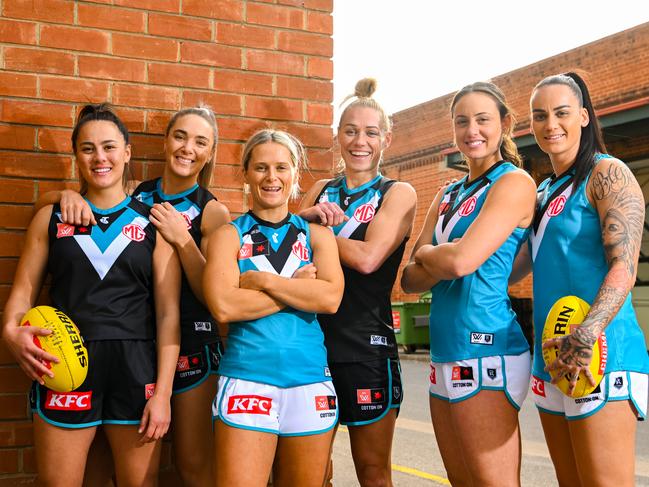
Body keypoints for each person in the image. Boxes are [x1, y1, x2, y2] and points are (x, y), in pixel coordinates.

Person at [35, 105, 231, 486]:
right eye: (180, 136)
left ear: (210, 152)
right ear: (164, 141)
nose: (188, 147)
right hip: (138, 347)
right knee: (104, 461)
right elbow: (80, 199)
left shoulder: (212, 209)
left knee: (190, 464)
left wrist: (182, 238)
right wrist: (64, 193)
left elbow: (215, 293)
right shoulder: (140, 193)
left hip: (190, 341)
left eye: (200, 141)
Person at [2, 104, 181, 487]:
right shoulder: (50, 218)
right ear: (76, 155)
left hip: (136, 370)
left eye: (109, 147)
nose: (100, 157)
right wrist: (10, 332)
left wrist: (163, 393)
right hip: (65, 365)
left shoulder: (155, 222)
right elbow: (22, 295)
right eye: (87, 148)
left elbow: (169, 315)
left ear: (127, 152)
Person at [512, 72, 649, 486]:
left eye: (561, 112)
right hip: (553, 354)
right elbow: (515, 268)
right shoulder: (543, 191)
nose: (550, 124)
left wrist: (586, 332)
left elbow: (624, 266)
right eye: (540, 115)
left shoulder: (608, 174)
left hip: (600, 352)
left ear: (585, 117)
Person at [401, 81, 536, 486]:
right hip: (445, 350)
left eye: (482, 120)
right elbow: (408, 280)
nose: (471, 130)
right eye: (462, 122)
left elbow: (461, 262)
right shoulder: (448, 192)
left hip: (486, 346)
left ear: (505, 124)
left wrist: (429, 255)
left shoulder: (513, 183)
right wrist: (433, 258)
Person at [204, 129, 344, 487]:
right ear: (246, 174)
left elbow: (330, 298)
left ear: (295, 173)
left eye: (281, 167)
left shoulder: (317, 235)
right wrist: (299, 288)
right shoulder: (228, 235)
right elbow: (222, 305)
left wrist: (267, 282)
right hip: (247, 378)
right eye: (262, 168)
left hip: (310, 380)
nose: (272, 177)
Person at [299, 78, 417, 487]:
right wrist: (304, 228)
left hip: (366, 347)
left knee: (372, 472)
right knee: (311, 473)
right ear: (337, 136)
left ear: (385, 138)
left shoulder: (397, 192)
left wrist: (315, 233)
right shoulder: (320, 189)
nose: (359, 141)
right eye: (350, 131)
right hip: (312, 345)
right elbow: (288, 248)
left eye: (370, 132)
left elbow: (368, 259)